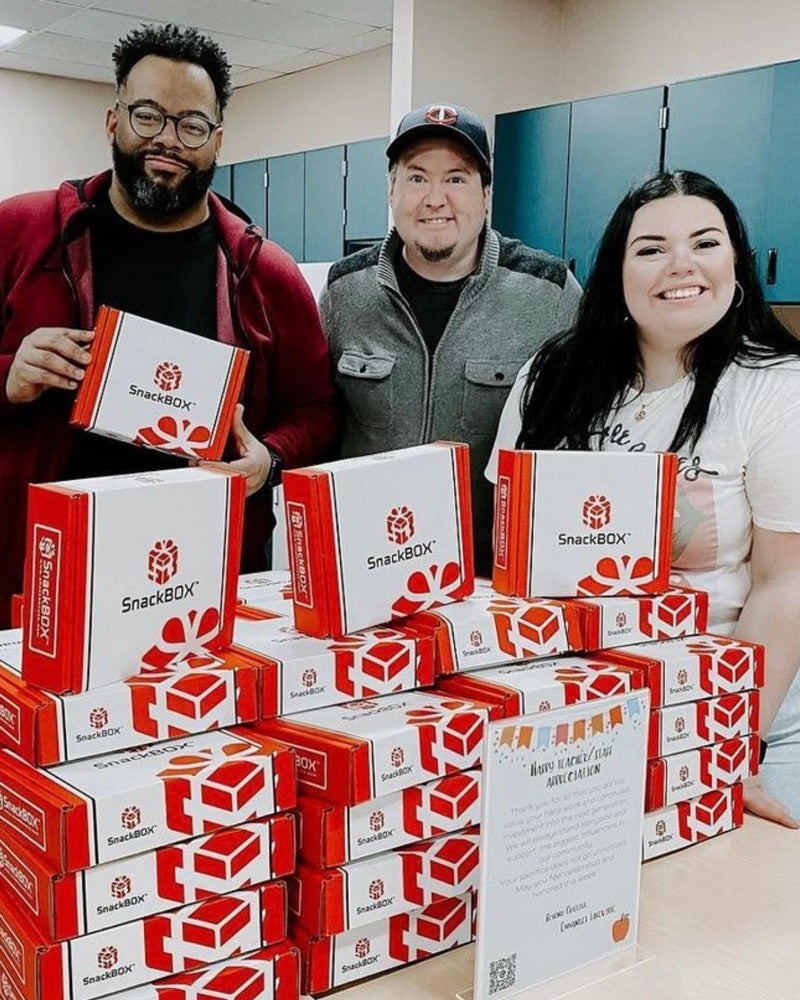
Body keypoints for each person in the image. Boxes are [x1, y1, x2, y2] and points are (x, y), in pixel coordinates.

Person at [487, 170, 800, 828]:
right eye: (652, 247)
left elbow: (784, 583)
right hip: (575, 707)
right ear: (618, 273)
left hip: (731, 710)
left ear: (737, 264)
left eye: (705, 243)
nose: (680, 265)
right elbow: (511, 558)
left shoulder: (775, 387)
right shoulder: (553, 374)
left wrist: (735, 743)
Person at [0, 23, 338, 628]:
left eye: (191, 125)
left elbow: (317, 408)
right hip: (36, 573)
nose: (168, 140)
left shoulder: (267, 274)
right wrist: (8, 376)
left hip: (199, 580)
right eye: (148, 116)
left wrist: (268, 460)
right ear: (113, 120)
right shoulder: (21, 234)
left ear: (217, 140)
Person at [320, 103, 581, 576]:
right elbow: (316, 416)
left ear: (486, 194)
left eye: (457, 179)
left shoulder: (550, 293)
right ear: (391, 191)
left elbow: (587, 435)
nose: (435, 198)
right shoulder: (345, 290)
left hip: (490, 577)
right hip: (362, 566)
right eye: (417, 178)